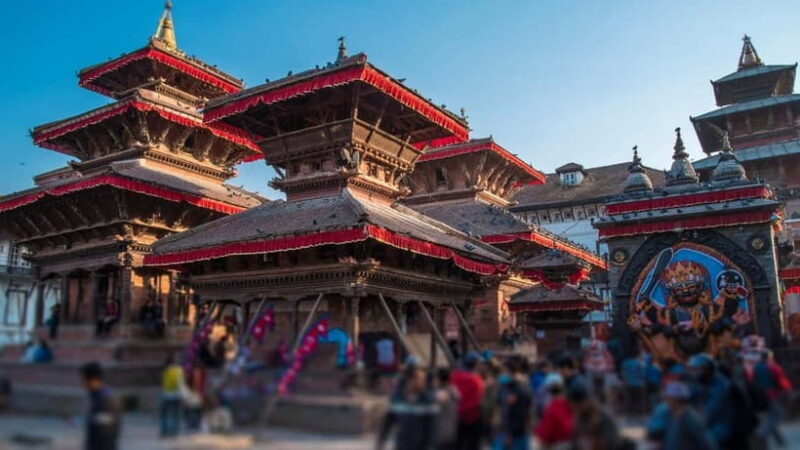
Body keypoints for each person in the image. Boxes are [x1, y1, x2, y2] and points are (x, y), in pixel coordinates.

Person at [377, 364, 437, 450]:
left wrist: (431, 447)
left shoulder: (427, 400)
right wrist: (381, 442)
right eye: (412, 378)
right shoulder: (398, 399)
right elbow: (387, 423)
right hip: (401, 446)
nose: (415, 381)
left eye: (417, 378)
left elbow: (432, 429)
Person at [687, 353, 733, 446]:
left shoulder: (721, 384)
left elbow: (713, 409)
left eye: (699, 369)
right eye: (693, 369)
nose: (696, 372)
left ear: (708, 369)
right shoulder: (697, 382)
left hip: (719, 428)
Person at [661, 381, 714, 450]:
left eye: (669, 398)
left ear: (676, 399)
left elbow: (707, 444)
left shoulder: (691, 418)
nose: (667, 401)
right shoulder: (673, 416)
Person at [568, 382, 622, 450]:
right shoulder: (579, 419)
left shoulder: (603, 417)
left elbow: (609, 442)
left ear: (586, 402)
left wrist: (593, 443)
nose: (575, 409)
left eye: (577, 406)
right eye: (573, 406)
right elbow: (574, 442)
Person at [80, 362, 121, 450]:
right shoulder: (97, 397)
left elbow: (105, 433)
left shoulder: (106, 400)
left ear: (94, 380)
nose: (83, 384)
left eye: (84, 380)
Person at [451, 351, 485, 450]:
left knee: (458, 444)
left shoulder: (454, 376)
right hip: (472, 417)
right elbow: (479, 399)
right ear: (474, 364)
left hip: (456, 416)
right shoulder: (476, 380)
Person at [493, 362, 531, 450]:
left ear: (512, 373)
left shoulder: (519, 390)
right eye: (501, 372)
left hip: (516, 433)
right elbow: (499, 407)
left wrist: (510, 434)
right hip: (503, 431)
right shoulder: (503, 388)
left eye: (504, 372)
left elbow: (520, 414)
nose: (502, 374)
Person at [534, 373, 573, 449]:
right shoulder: (569, 404)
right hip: (570, 442)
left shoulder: (552, 407)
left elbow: (546, 432)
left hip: (557, 444)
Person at [435, 368, 460, 450]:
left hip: (440, 432)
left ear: (438, 379)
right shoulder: (454, 390)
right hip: (452, 431)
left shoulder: (438, 393)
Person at [160, 354, 184, 437]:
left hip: (166, 395)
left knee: (165, 414)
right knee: (176, 414)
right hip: (176, 395)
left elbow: (164, 383)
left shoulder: (166, 370)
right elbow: (180, 384)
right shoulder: (178, 370)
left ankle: (165, 430)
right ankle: (174, 430)